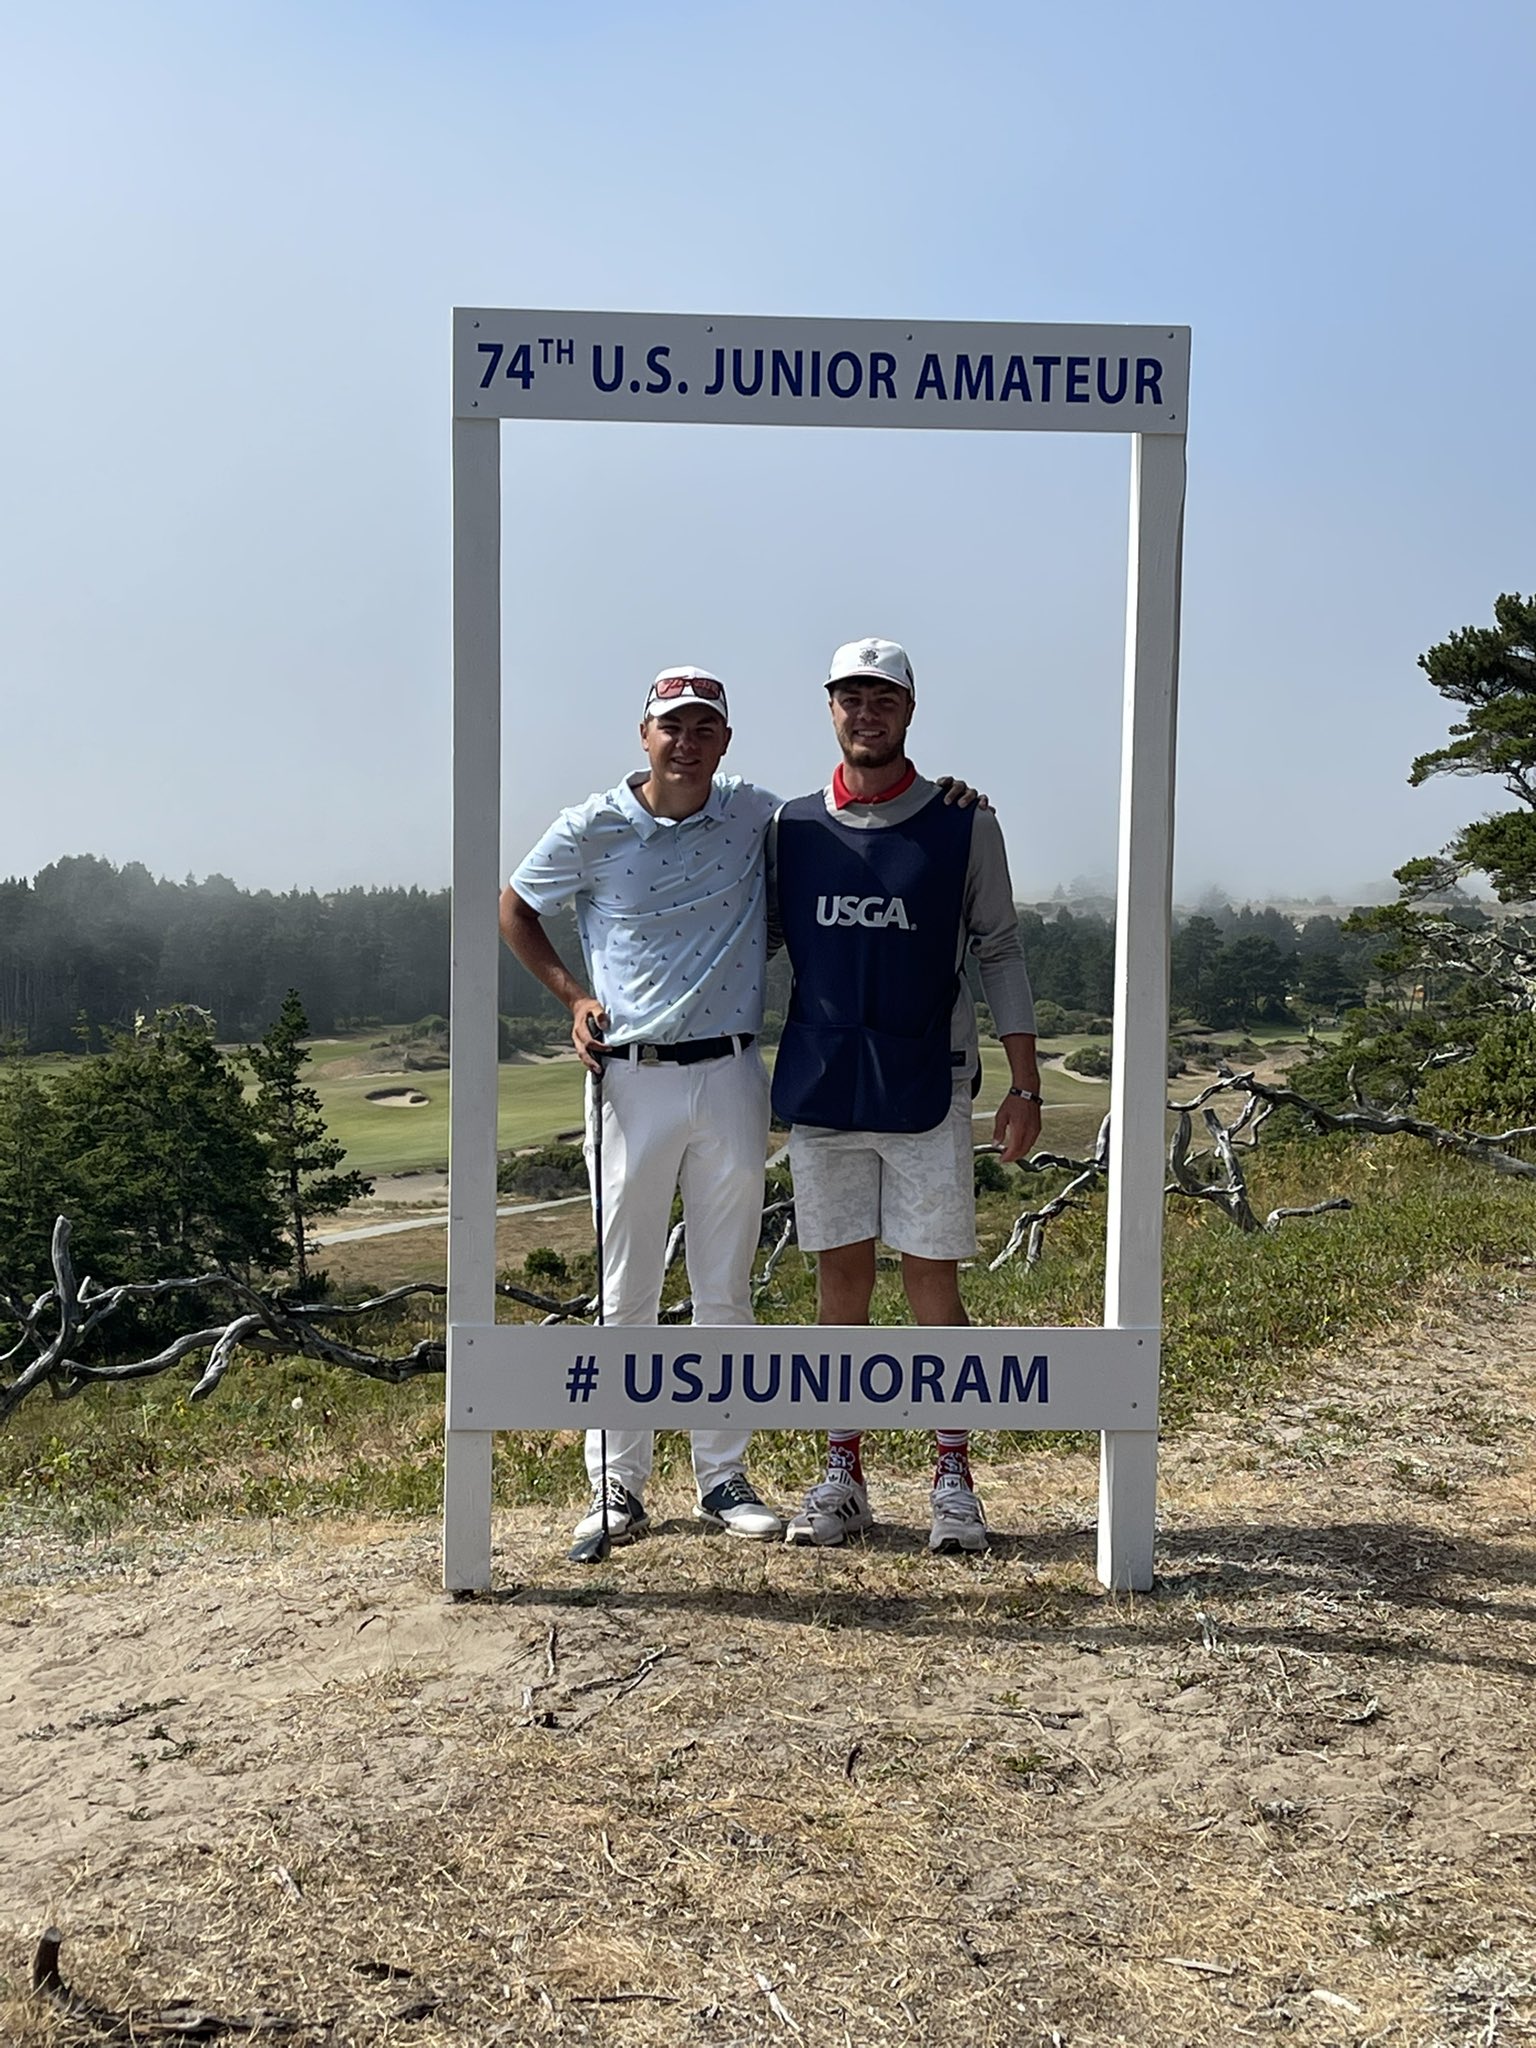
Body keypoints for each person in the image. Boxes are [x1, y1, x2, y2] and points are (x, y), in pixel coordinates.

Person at [501, 667, 785, 1548]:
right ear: (644, 733)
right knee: (626, 1292)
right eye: (673, 726)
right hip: (630, 1078)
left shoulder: (754, 814)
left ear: (726, 742)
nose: (687, 742)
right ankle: (616, 1486)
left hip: (733, 1071)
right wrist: (570, 996)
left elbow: (845, 819)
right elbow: (514, 907)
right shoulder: (591, 824)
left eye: (705, 728)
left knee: (724, 1289)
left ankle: (721, 1477)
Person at [769, 637, 1042, 1555]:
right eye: (850, 696)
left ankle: (952, 1475)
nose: (866, 712)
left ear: (910, 712)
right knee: (839, 1278)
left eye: (883, 698)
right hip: (824, 1089)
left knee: (932, 1279)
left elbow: (998, 949)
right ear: (831, 708)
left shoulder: (965, 823)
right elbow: (745, 939)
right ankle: (842, 1471)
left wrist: (1024, 1081)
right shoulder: (792, 828)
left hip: (929, 1087)